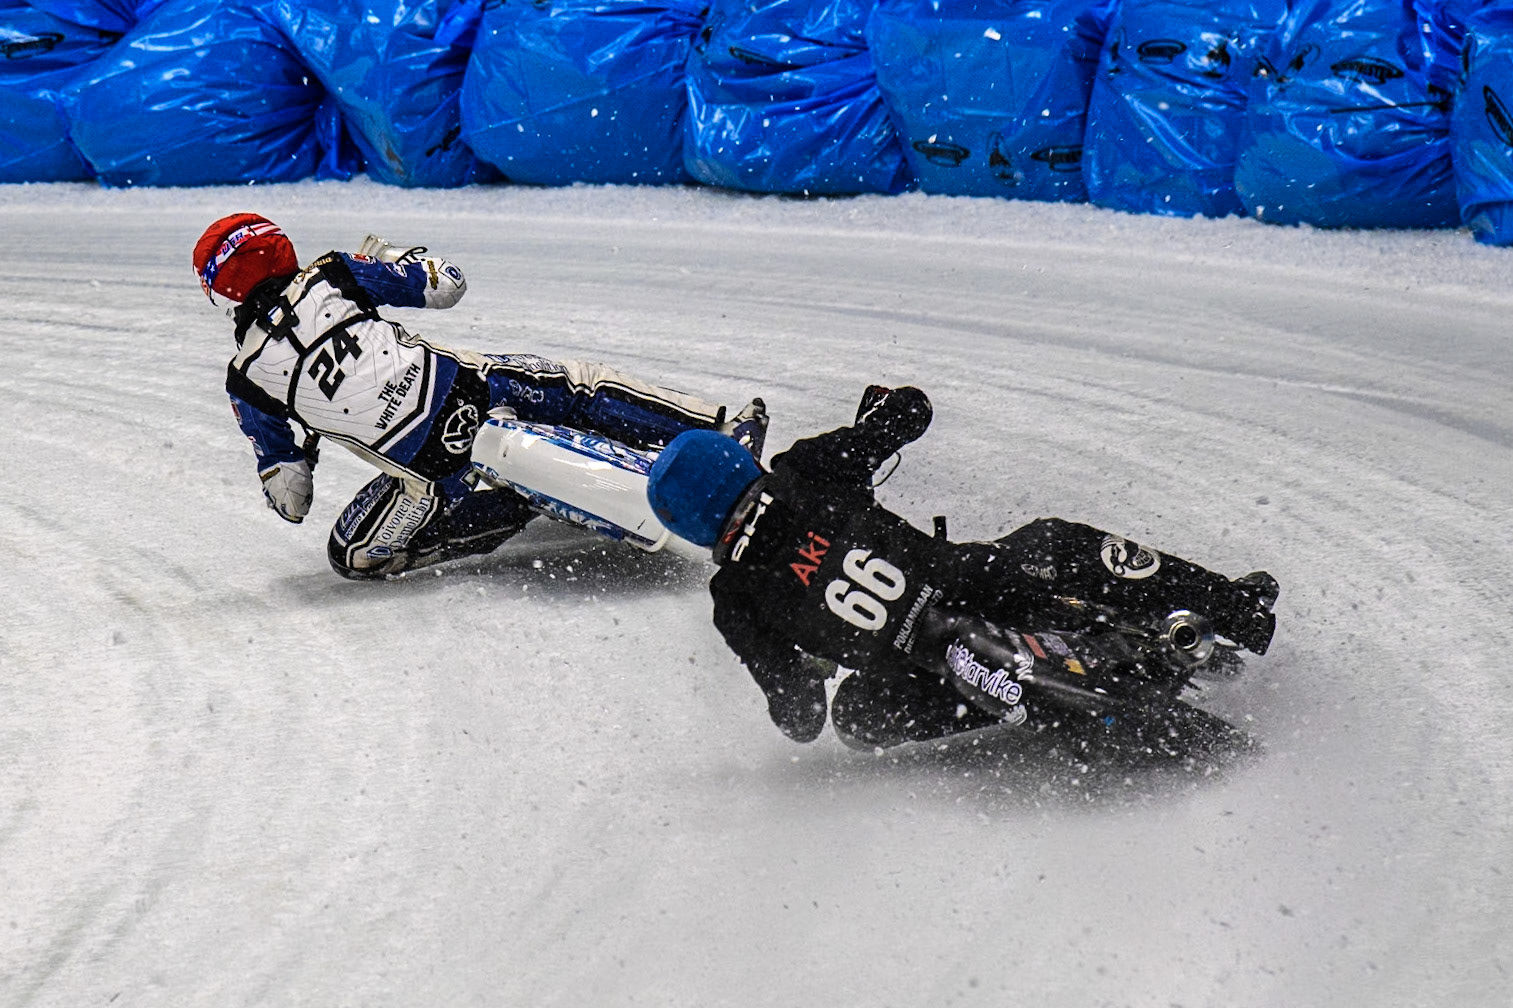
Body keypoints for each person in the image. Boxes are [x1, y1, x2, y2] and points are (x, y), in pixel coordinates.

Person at [645, 386, 1279, 749]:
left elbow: (803, 720)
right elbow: (914, 411)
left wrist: (806, 667)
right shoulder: (804, 470)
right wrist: (878, 420)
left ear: (691, 526)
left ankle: (1018, 716)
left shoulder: (735, 600)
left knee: (855, 721)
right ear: (732, 461)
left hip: (935, 675)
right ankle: (1235, 608)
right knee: (1055, 542)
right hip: (986, 586)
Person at [194, 212, 767, 580]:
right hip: (480, 393)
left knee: (354, 555)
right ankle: (717, 433)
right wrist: (402, 259)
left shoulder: (245, 380)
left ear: (222, 291)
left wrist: (301, 443)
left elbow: (291, 501)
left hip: (426, 474)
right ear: (279, 246)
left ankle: (513, 506)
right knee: (579, 382)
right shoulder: (331, 274)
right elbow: (449, 284)